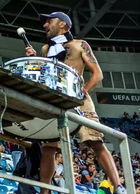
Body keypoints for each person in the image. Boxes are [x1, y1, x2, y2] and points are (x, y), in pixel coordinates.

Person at [25, 11, 126, 194]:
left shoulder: (80, 45)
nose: (45, 25)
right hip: (54, 98)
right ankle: (44, 192)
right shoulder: (45, 50)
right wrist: (34, 59)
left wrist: (84, 89)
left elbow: (98, 74)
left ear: (63, 24)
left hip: (78, 98)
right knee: (49, 148)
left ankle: (118, 187)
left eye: (49, 21)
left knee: (95, 141)